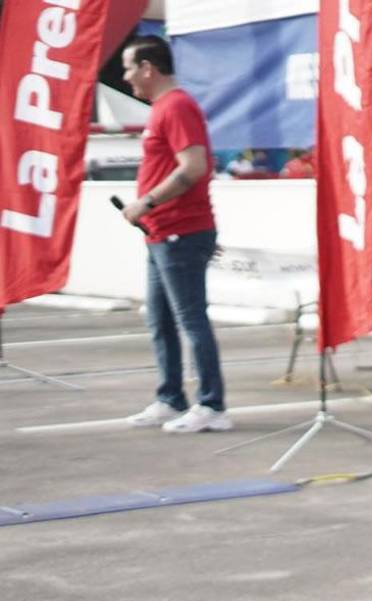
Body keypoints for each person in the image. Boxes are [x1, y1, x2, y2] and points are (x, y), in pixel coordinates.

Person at [120, 36, 231, 433]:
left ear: (149, 68)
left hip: (178, 231)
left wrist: (145, 202)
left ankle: (212, 405)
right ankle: (170, 398)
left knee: (190, 319)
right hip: (162, 232)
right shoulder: (164, 108)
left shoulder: (177, 106)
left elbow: (193, 167)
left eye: (130, 68)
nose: (126, 77)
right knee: (161, 320)